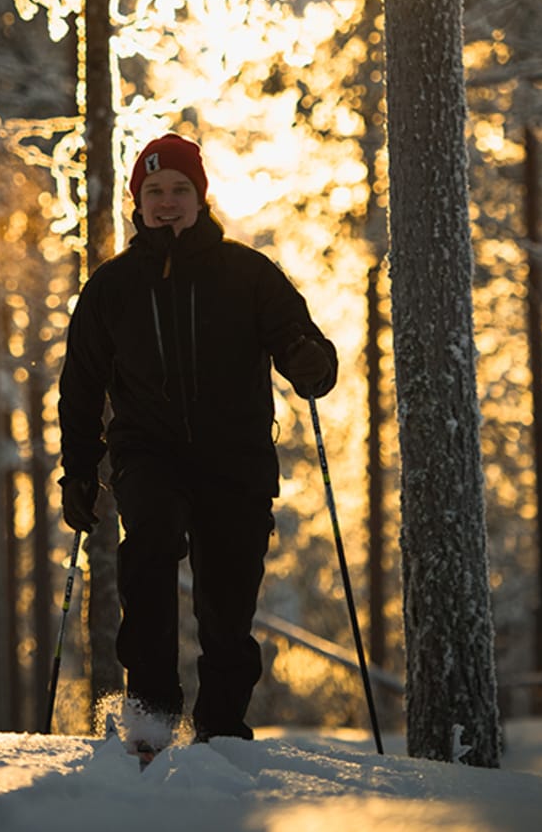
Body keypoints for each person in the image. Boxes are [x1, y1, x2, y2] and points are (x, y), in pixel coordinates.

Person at [57, 132, 338, 748]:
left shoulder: (248, 272)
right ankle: (152, 714)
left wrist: (308, 360)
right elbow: (80, 387)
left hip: (234, 458)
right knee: (150, 550)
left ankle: (221, 727)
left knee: (227, 603)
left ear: (200, 196)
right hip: (147, 454)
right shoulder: (113, 286)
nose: (166, 202)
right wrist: (78, 472)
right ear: (137, 200)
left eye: (179, 189)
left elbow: (301, 338)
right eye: (154, 190)